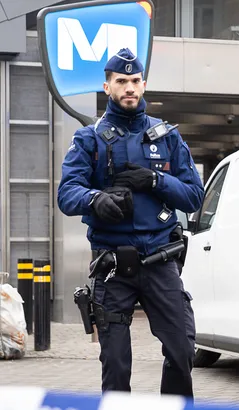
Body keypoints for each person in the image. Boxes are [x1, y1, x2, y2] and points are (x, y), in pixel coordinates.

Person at [57, 48, 204, 397]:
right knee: (116, 364)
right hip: (113, 267)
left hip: (160, 261)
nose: (129, 87)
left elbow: (194, 196)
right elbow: (67, 193)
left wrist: (155, 181)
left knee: (182, 350)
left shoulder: (166, 136)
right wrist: (95, 199)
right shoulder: (89, 138)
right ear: (107, 86)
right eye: (121, 81)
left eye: (135, 81)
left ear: (143, 85)